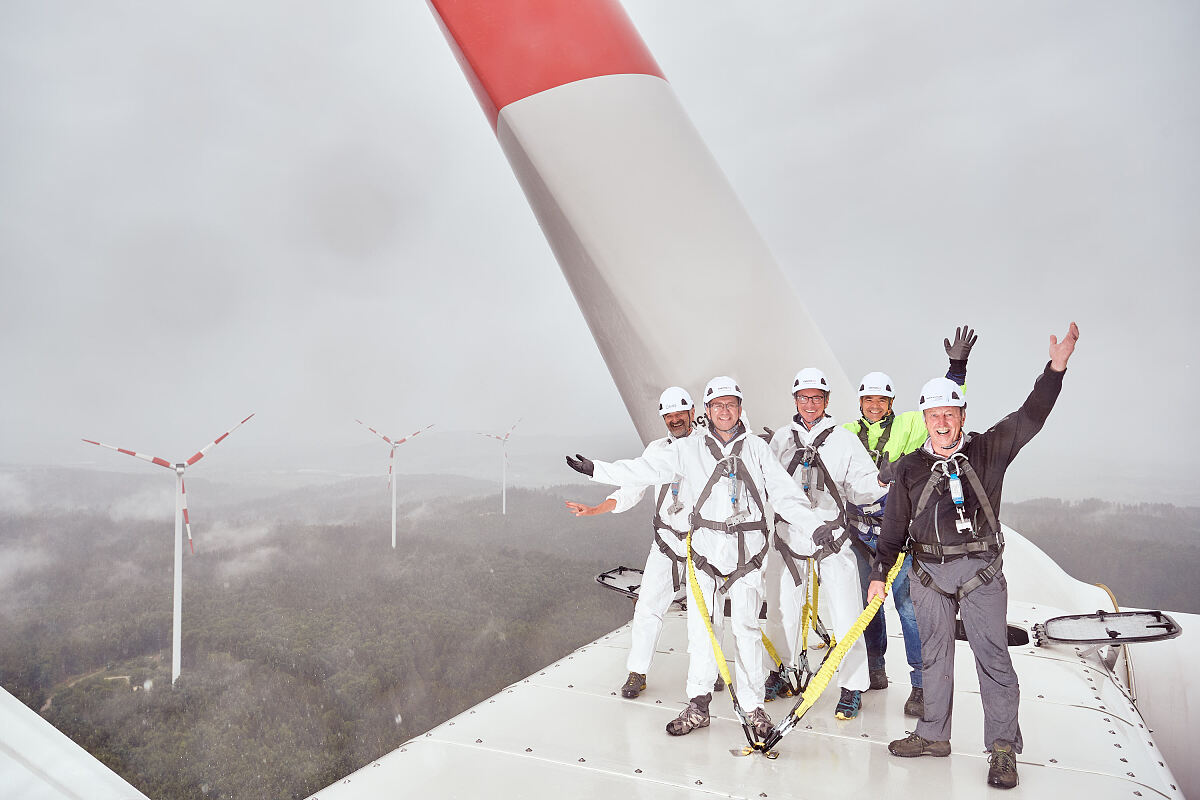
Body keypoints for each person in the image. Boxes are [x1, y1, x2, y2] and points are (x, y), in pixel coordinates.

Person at [868, 322, 1080, 790]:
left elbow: (1031, 415)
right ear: (924, 420)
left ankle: (1002, 750)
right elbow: (893, 526)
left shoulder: (988, 450)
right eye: (934, 415)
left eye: (950, 414)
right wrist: (880, 572)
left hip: (979, 573)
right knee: (935, 660)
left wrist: (1055, 369)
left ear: (962, 416)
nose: (942, 423)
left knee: (993, 659)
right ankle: (932, 736)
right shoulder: (910, 467)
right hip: (927, 575)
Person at [566, 376, 830, 741]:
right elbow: (643, 471)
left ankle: (754, 710)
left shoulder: (755, 449)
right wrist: (598, 470)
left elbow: (785, 496)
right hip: (704, 556)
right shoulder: (687, 450)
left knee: (747, 631)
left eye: (730, 405)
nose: (724, 411)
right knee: (702, 633)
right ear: (707, 411)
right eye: (717, 405)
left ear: (739, 408)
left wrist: (815, 527)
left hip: (746, 558)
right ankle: (698, 705)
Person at [843, 325, 977, 718]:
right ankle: (875, 669)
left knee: (907, 605)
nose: (873, 405)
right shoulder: (847, 433)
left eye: (880, 399)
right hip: (857, 532)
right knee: (867, 604)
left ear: (890, 402)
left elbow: (943, 411)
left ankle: (920, 685)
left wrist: (957, 368)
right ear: (860, 401)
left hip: (896, 532)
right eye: (868, 398)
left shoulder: (905, 425)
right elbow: (818, 447)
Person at [564, 387, 724, 699]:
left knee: (706, 610)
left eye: (680, 413)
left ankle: (711, 669)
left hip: (700, 542)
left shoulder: (707, 446)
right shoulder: (656, 449)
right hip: (665, 541)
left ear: (693, 412)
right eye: (669, 416)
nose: (675, 419)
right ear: (664, 418)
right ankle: (637, 671)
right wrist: (597, 508)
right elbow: (633, 486)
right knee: (649, 605)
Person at [766, 367, 886, 721]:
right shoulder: (781, 440)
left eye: (816, 398)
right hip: (789, 537)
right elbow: (769, 483)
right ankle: (784, 672)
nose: (809, 404)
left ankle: (852, 686)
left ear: (827, 401)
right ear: (795, 400)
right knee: (782, 609)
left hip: (832, 537)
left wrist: (883, 481)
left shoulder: (844, 440)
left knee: (846, 612)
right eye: (803, 398)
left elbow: (861, 485)